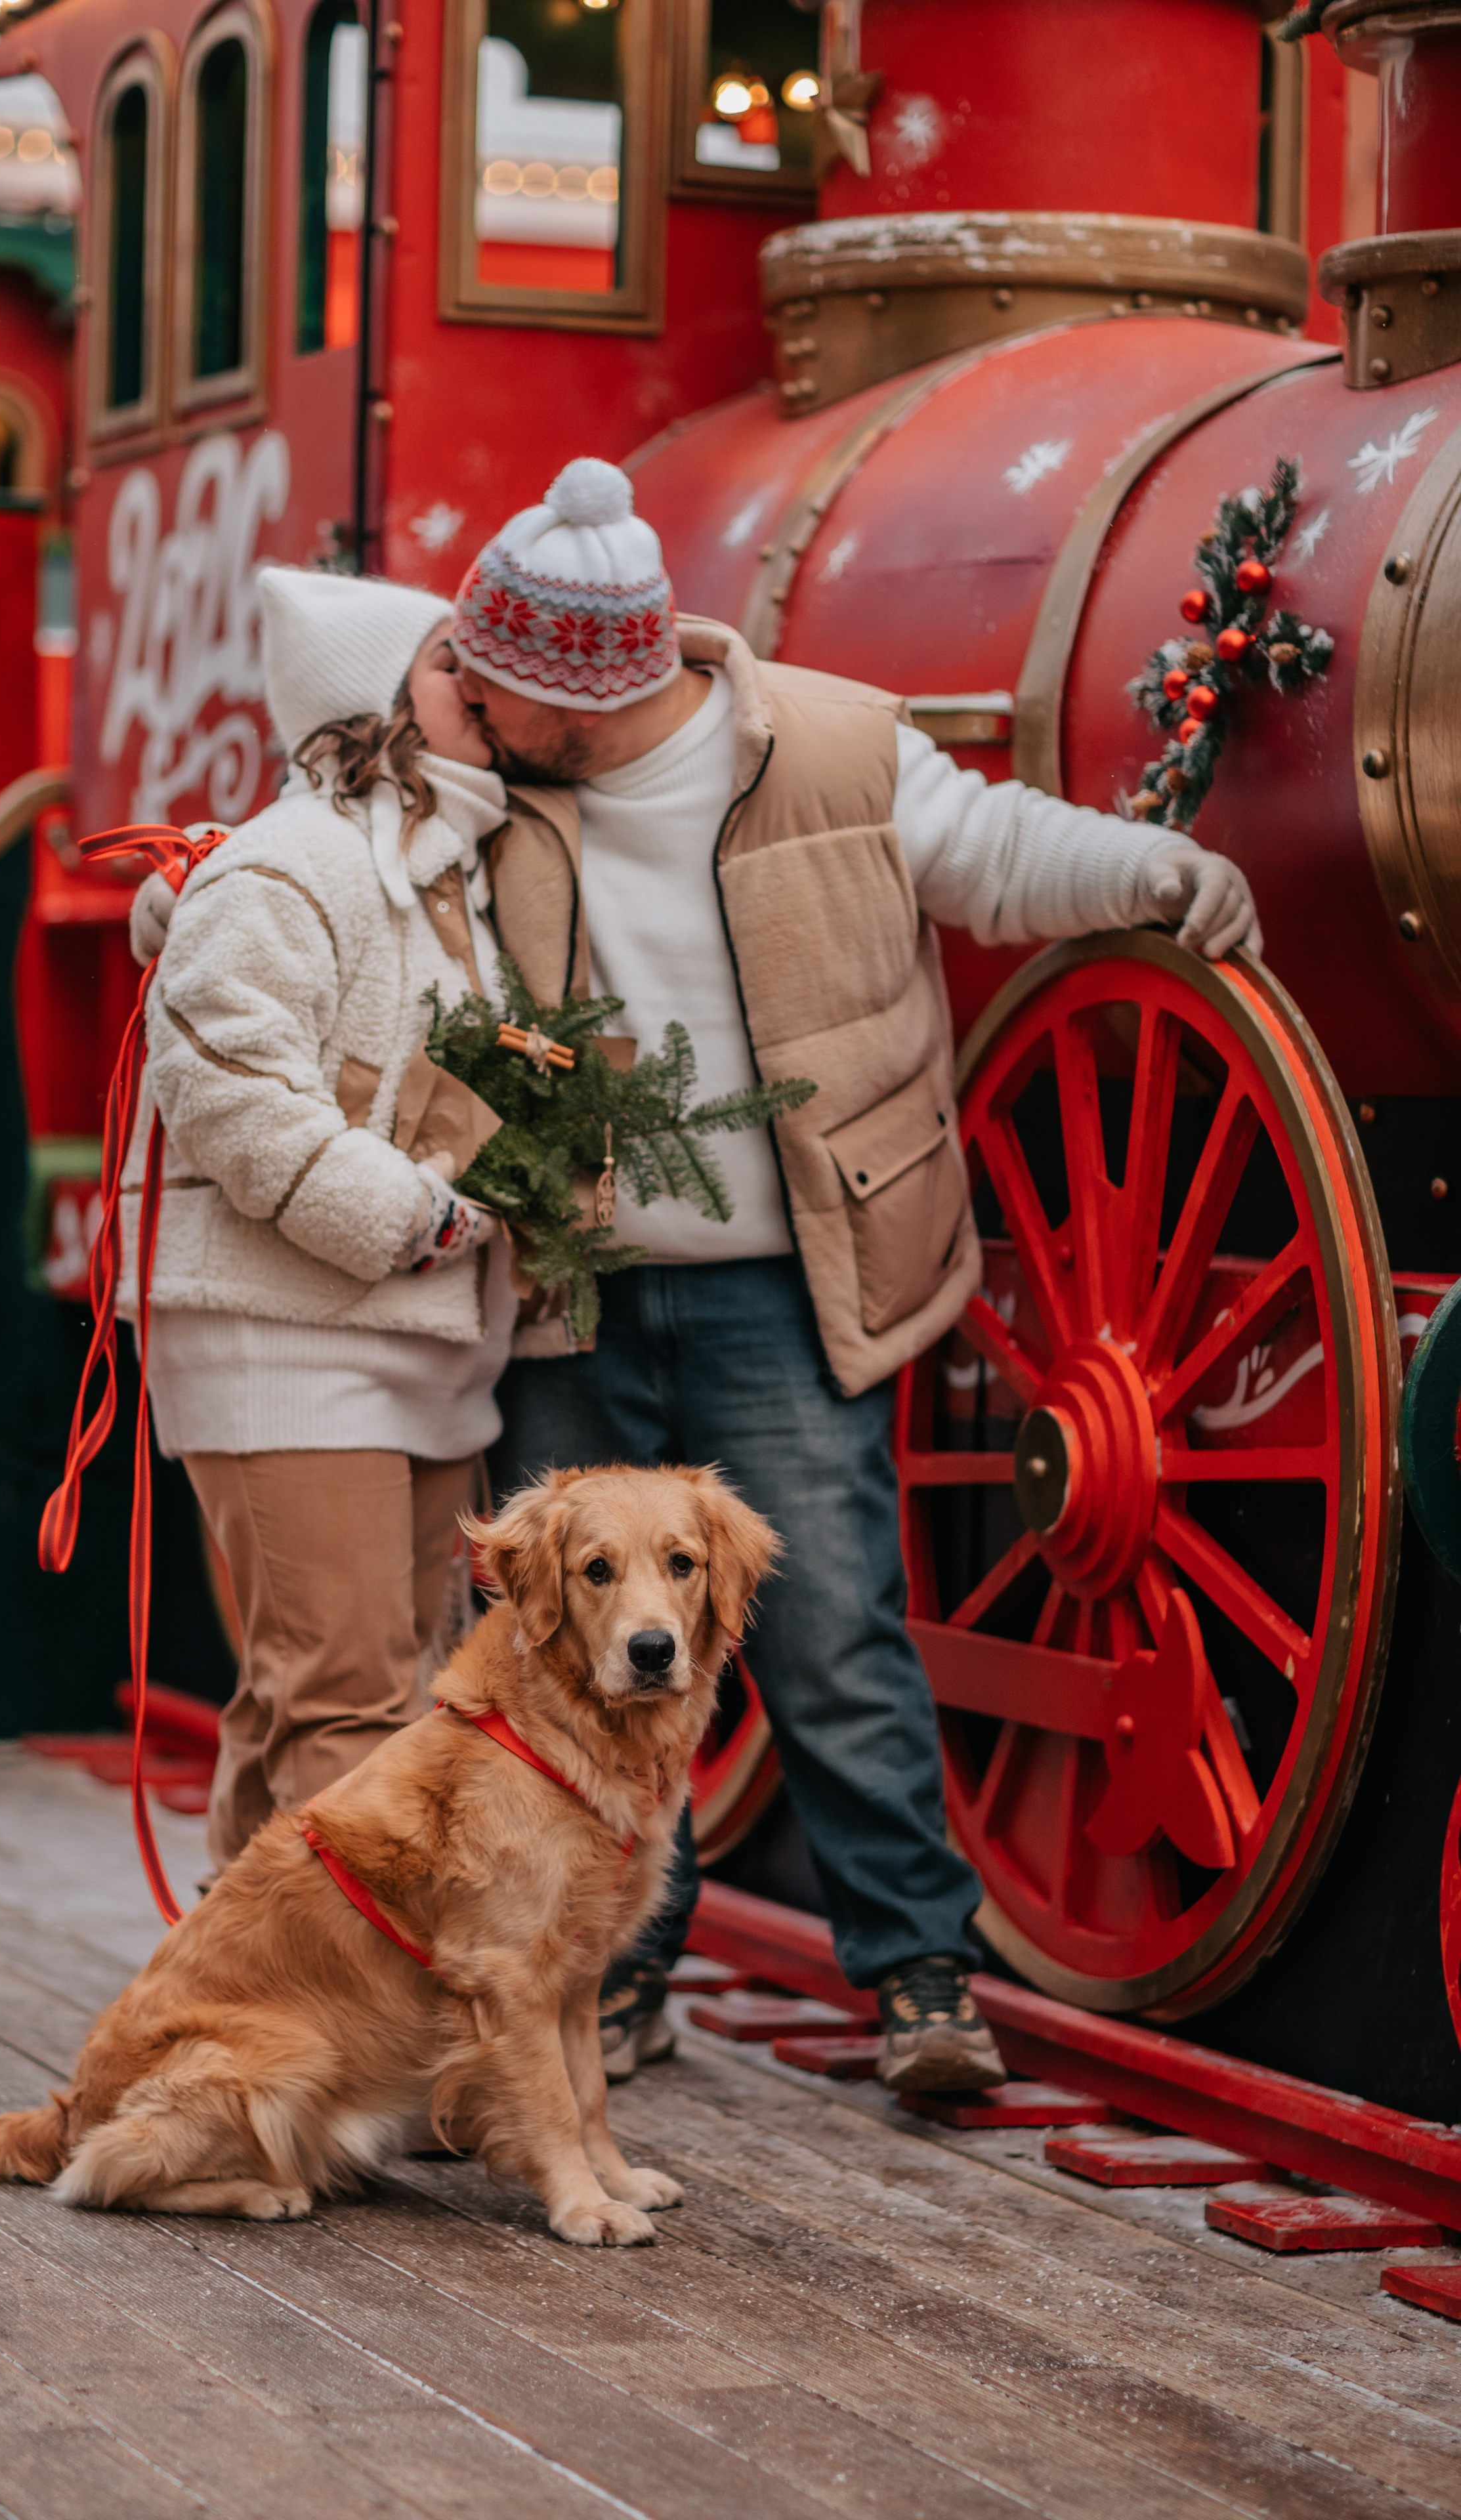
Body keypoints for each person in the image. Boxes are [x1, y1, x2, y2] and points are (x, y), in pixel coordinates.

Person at [454, 457, 1261, 2093]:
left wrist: (1155, 875)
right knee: (569, 1668)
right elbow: (332, 874)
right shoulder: (481, 779)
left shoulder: (821, 745)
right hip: (565, 1284)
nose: (473, 707)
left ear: (585, 695)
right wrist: (195, 898)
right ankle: (610, 1982)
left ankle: (917, 1981)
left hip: (784, 1278)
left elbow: (995, 857)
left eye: (504, 687)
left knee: (832, 1634)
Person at [124, 570, 513, 1880]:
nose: (486, 688)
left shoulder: (439, 864)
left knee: (342, 1691)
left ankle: (235, 2019)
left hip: (393, 1335)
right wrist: (400, 1215)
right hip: (280, 1336)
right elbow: (222, 1082)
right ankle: (343, 2047)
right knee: (350, 1702)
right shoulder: (291, 861)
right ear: (377, 708)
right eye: (455, 670)